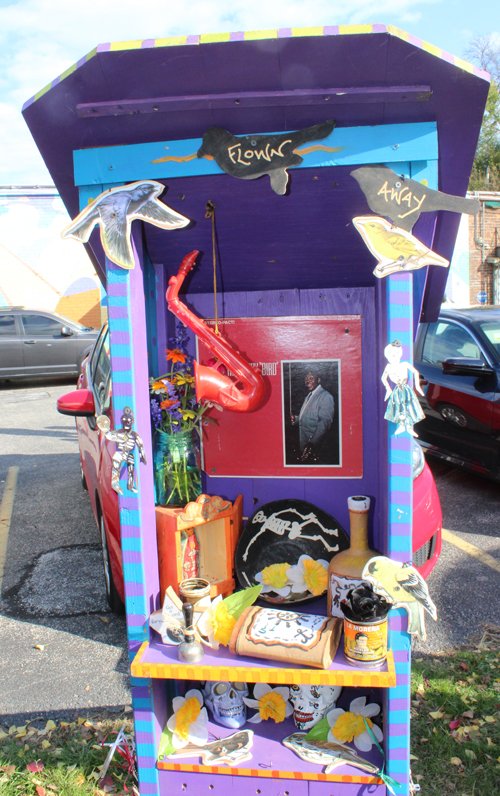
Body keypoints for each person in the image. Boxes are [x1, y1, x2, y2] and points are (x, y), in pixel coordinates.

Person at [290, 369, 334, 462]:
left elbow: (324, 423)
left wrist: (312, 444)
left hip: (315, 448)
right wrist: (296, 419)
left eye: (311, 378)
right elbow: (308, 416)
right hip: (304, 446)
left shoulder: (325, 396)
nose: (307, 381)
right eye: (306, 378)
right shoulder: (309, 396)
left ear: (318, 380)